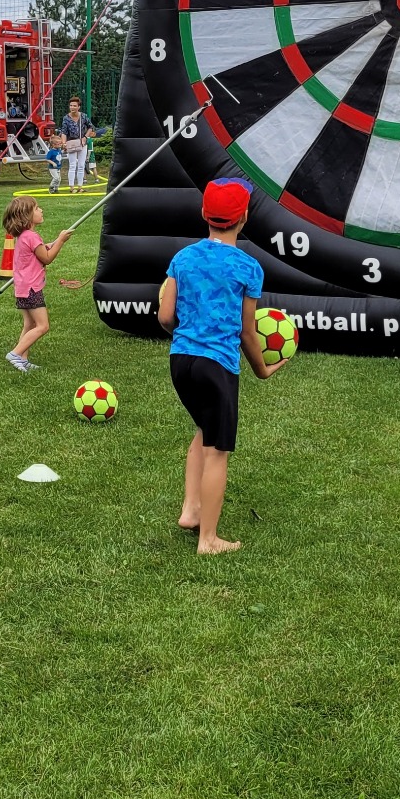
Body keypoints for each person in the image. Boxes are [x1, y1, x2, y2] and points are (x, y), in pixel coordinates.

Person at [156, 177, 283, 555]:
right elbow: (247, 332)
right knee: (218, 451)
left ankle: (191, 510)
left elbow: (165, 315)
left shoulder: (183, 258)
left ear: (203, 213)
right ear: (244, 217)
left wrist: (186, 337)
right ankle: (208, 539)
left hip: (181, 362)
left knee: (203, 430)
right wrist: (262, 369)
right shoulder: (248, 267)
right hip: (218, 368)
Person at [2, 194, 71, 371]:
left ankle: (22, 359)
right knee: (42, 325)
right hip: (32, 289)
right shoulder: (31, 236)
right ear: (26, 216)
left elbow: (38, 251)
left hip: (22, 288)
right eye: (37, 208)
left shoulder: (24, 236)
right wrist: (61, 241)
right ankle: (15, 354)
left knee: (30, 324)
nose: (41, 210)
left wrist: (51, 243)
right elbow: (47, 258)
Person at [58, 97, 96, 191]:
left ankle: (80, 187)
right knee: (72, 165)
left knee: (81, 165)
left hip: (82, 143)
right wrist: (64, 143)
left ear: (79, 107)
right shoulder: (66, 118)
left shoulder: (83, 116)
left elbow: (90, 127)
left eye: (74, 106)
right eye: (71, 105)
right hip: (71, 143)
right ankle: (71, 187)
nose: (72, 107)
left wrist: (85, 137)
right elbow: (64, 132)